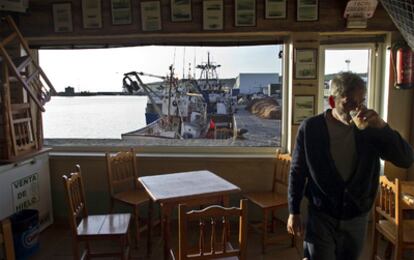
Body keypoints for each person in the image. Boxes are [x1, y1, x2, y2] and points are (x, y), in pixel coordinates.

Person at [286, 72, 414, 260]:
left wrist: (383, 127)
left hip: (357, 215)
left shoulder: (370, 129)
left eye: (360, 101)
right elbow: (297, 171)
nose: (356, 109)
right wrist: (293, 211)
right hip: (321, 215)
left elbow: (406, 159)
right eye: (349, 103)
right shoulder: (311, 128)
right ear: (332, 101)